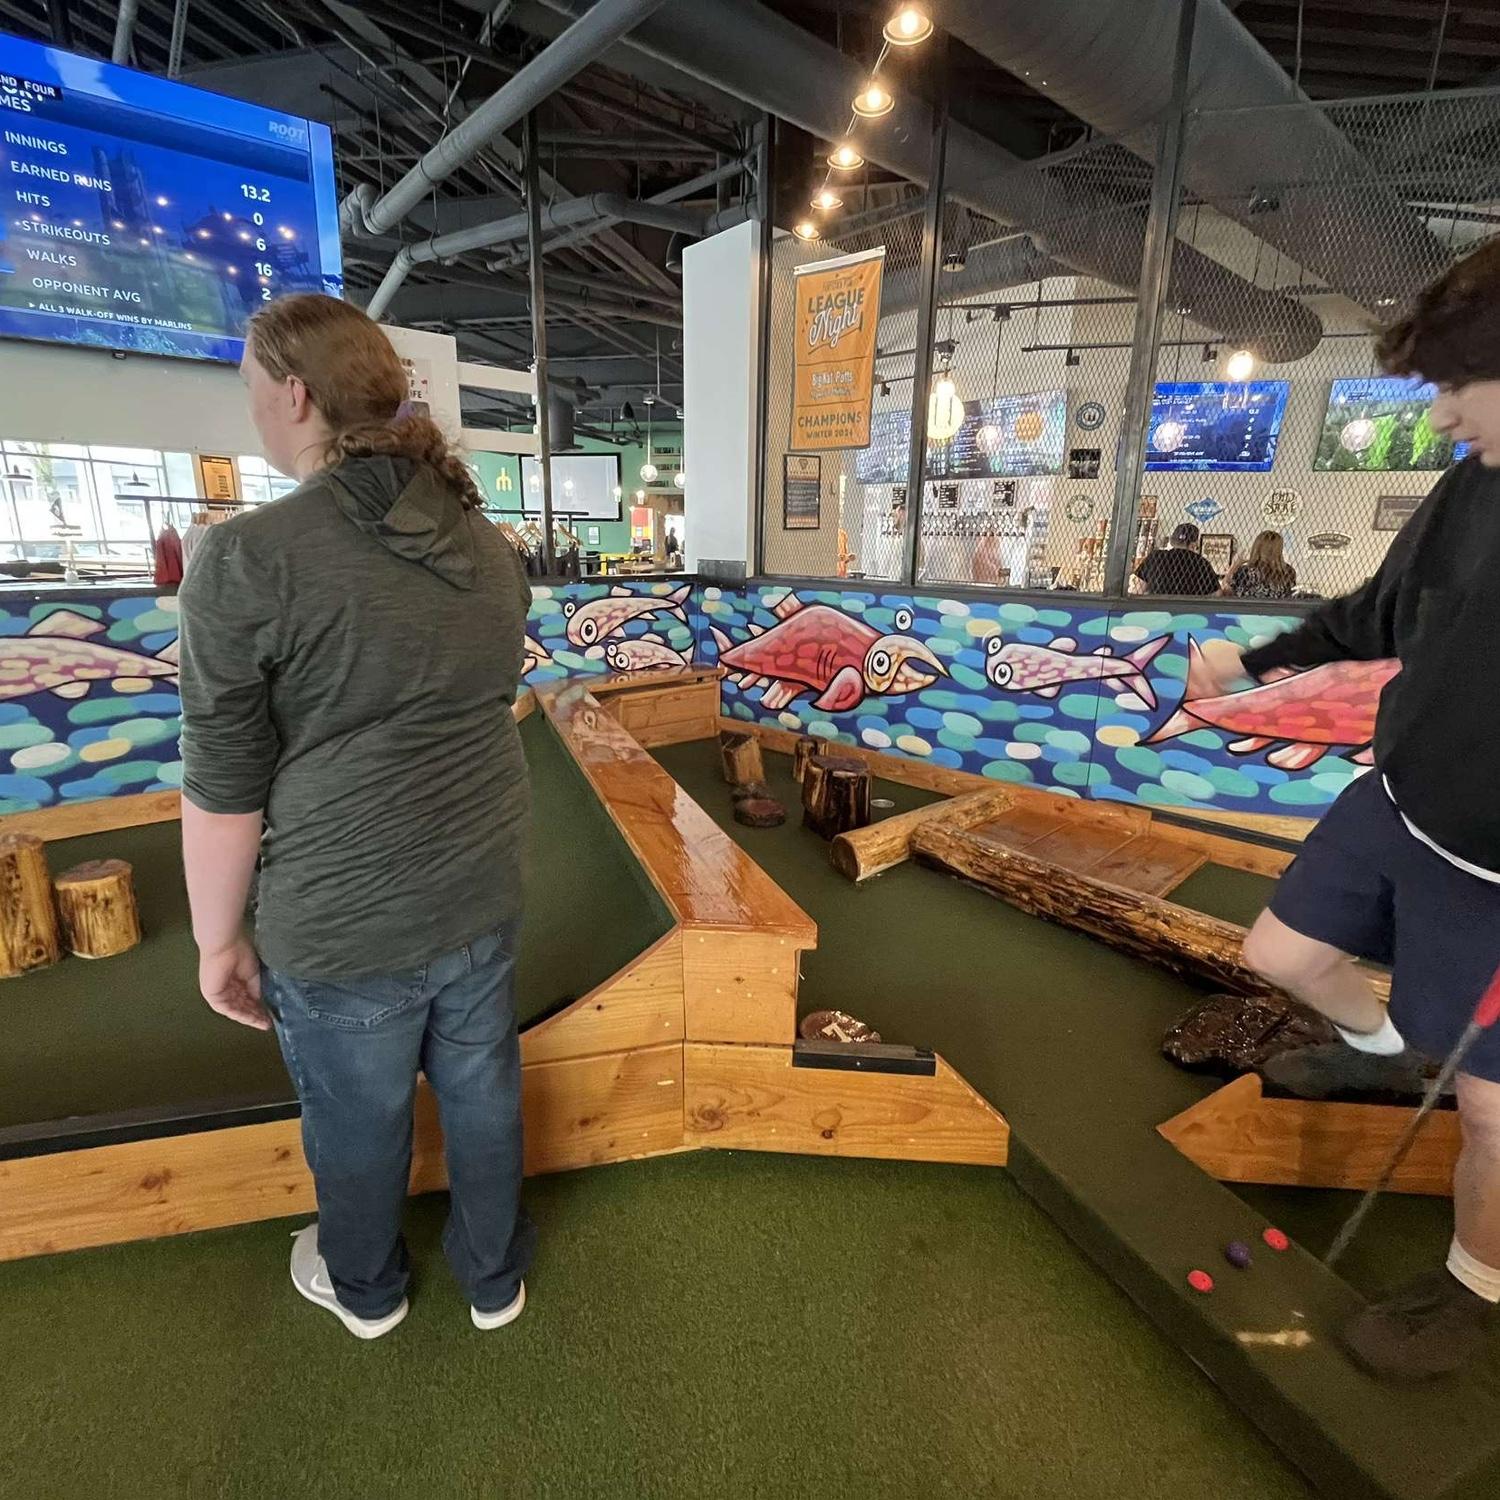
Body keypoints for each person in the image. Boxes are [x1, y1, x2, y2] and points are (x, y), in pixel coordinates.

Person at [177, 294, 535, 1341]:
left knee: (357, 1120)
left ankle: (367, 1290)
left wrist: (215, 942)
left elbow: (223, 787)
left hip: (343, 923)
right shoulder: (486, 544)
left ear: (294, 394)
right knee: (482, 1089)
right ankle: (494, 1279)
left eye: (251, 384)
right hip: (482, 888)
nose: (251, 404)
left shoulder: (246, 559)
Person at [1202, 237, 1500, 1380]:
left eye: (1458, 387)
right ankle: (1381, 1050)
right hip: (1399, 803)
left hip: (1496, 878)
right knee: (1281, 954)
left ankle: (1474, 1286)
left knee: (1493, 1115)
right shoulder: (1473, 484)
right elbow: (1380, 609)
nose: (1441, 417)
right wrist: (1257, 661)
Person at [1133, 521, 1221, 595]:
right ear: (1194, 544)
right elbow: (1217, 594)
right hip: (1188, 609)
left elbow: (1138, 590)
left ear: (1173, 540)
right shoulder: (1202, 563)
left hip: (1157, 608)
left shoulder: (1155, 557)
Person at [1221, 530, 1297, 600]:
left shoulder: (1247, 571)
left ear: (1257, 547)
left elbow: (1227, 590)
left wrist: (1237, 564)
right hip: (1278, 609)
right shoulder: (1289, 572)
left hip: (1249, 608)